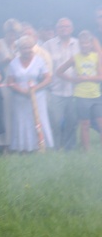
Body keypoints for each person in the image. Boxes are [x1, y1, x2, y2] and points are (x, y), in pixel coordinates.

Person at [56, 31, 102, 151]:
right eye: (82, 44)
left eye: (87, 43)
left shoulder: (96, 57)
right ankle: (87, 150)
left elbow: (100, 77)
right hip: (81, 96)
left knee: (100, 123)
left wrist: (85, 78)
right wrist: (72, 79)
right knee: (85, 124)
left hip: (96, 95)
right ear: (79, 44)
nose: (85, 46)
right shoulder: (75, 58)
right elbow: (59, 71)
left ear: (91, 44)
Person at [7, 35, 54, 153]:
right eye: (24, 48)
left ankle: (42, 146)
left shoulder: (39, 60)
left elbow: (47, 79)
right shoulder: (13, 63)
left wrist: (35, 88)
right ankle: (23, 148)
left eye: (29, 47)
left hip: (38, 96)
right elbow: (10, 82)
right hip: (20, 98)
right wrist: (22, 91)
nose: (27, 50)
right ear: (19, 49)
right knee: (22, 121)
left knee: (40, 120)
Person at [42, 18, 79, 151]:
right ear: (56, 29)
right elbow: (43, 65)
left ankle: (70, 149)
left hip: (74, 90)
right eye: (61, 27)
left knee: (72, 121)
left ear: (72, 28)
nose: (64, 29)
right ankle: (55, 148)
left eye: (66, 26)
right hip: (55, 90)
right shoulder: (47, 45)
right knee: (56, 122)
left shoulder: (78, 44)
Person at [0, 18, 22, 153]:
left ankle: (17, 143)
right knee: (5, 114)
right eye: (10, 33)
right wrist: (4, 61)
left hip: (19, 83)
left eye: (14, 33)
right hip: (4, 83)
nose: (12, 36)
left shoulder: (20, 45)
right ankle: (4, 144)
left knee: (17, 113)